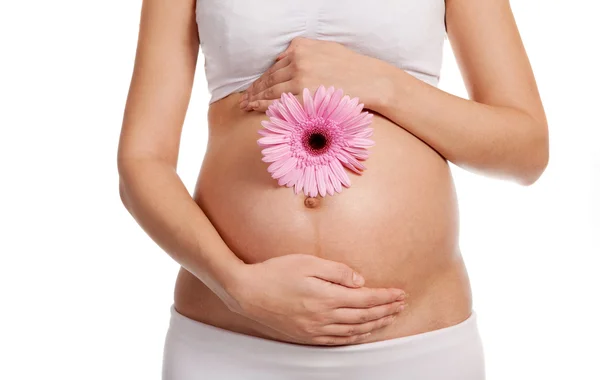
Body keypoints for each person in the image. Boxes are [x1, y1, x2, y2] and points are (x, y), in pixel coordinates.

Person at [117, 0, 548, 379]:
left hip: (414, 346)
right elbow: (142, 160)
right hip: (229, 341)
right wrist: (236, 286)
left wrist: (380, 82)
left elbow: (526, 150)